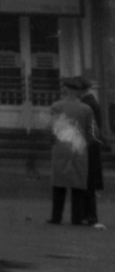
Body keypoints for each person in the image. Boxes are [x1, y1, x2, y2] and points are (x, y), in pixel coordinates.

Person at [49, 76, 97, 226]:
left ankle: (56, 217)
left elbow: (52, 129)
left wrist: (54, 142)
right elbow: (92, 133)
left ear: (66, 89)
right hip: (79, 149)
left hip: (61, 148)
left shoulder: (56, 106)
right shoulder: (86, 109)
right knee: (77, 185)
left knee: (59, 184)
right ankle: (76, 218)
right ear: (77, 91)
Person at [75, 77, 108, 229]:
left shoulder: (88, 105)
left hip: (89, 147)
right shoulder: (90, 102)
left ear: (80, 90)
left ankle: (91, 216)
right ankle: (86, 215)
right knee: (87, 182)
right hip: (91, 146)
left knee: (88, 183)